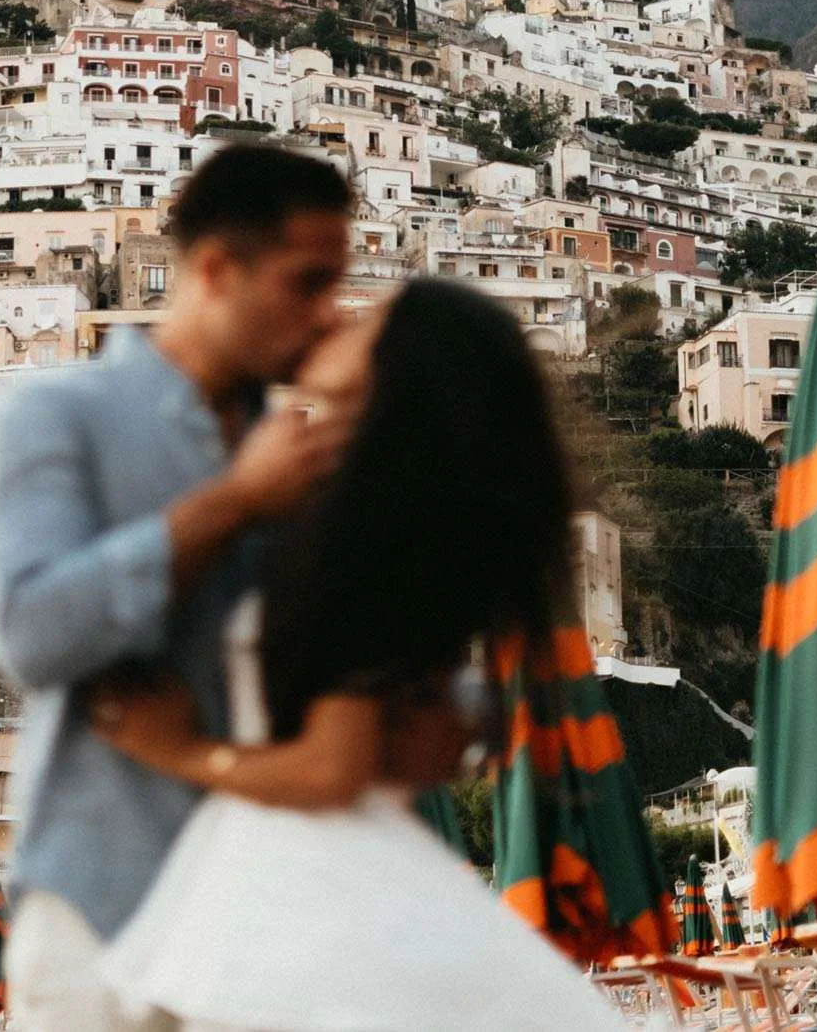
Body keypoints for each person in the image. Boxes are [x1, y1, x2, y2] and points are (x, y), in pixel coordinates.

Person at [89, 279, 628, 1031]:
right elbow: (415, 749)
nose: (337, 316)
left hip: (305, 883)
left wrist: (178, 750)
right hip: (310, 874)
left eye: (366, 320)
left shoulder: (358, 540)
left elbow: (329, 768)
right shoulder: (382, 529)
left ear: (392, 376)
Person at [0, 144, 357, 1029]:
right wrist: (234, 502)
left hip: (280, 931)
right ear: (218, 269)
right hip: (103, 917)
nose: (329, 313)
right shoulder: (55, 414)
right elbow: (32, 633)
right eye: (309, 282)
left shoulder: (322, 455)